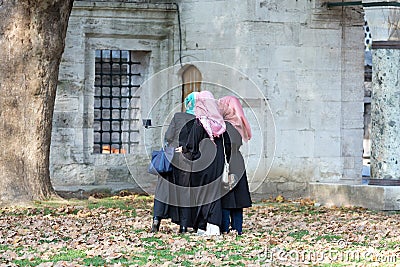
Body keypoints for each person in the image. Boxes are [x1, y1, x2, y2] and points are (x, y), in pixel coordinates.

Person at [179, 90, 226, 235]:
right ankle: (214, 226)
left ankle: (202, 226)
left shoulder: (200, 123)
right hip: (217, 162)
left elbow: (192, 144)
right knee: (214, 193)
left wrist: (183, 149)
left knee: (202, 194)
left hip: (203, 163)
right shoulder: (219, 123)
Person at [151, 92, 197, 233]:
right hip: (186, 160)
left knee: (162, 190)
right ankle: (183, 226)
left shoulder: (178, 116)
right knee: (184, 192)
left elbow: (168, 136)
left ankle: (156, 220)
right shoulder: (198, 120)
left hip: (171, 157)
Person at [218, 95, 252, 235]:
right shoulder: (238, 125)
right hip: (237, 160)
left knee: (226, 197)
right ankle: (237, 227)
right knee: (237, 197)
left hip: (227, 161)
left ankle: (226, 227)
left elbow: (227, 145)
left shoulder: (223, 126)